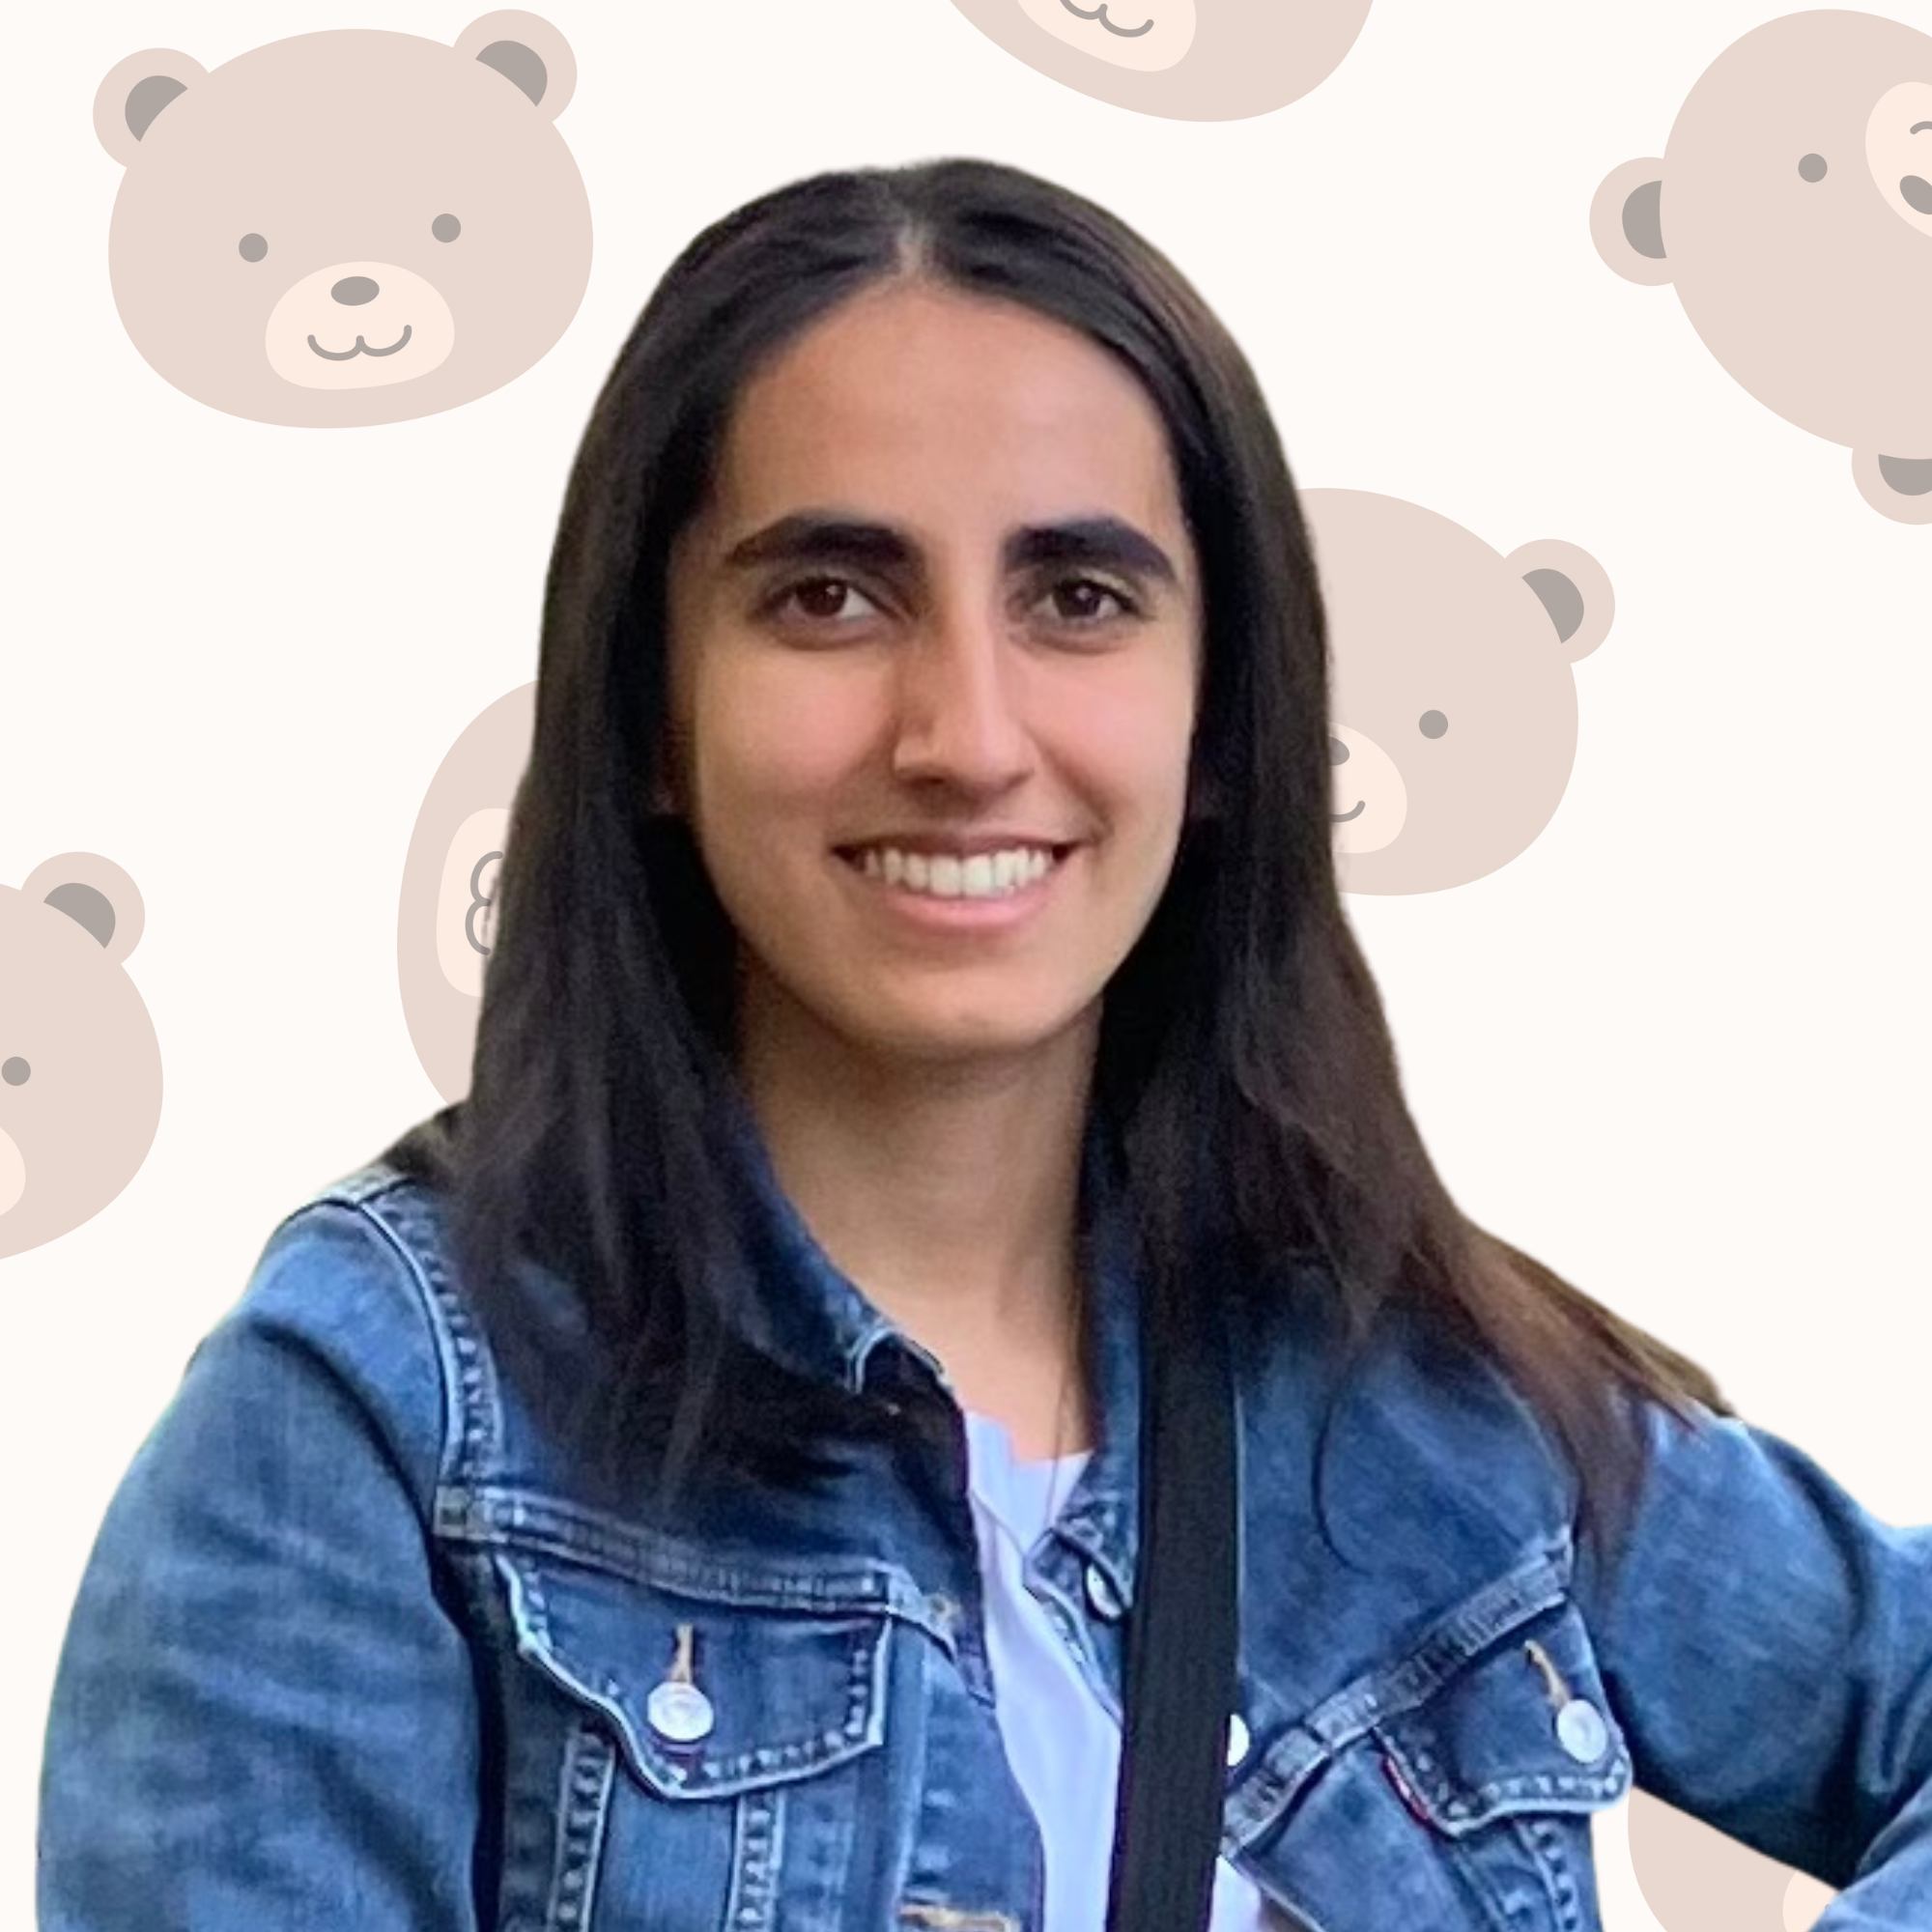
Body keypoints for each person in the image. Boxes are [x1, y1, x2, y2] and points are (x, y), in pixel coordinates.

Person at [36, 156, 1932, 1932]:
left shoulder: (1423, 1392)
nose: (964, 727)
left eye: (1078, 597)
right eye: (830, 595)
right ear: (647, 713)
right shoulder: (373, 1414)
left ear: (1218, 724)